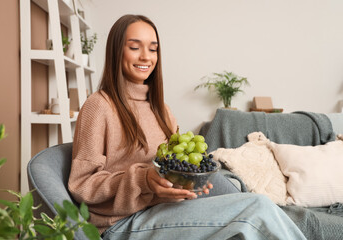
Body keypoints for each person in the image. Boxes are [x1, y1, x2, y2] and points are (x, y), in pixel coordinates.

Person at [68, 14, 306, 239]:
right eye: (134, 47)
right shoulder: (99, 106)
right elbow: (82, 185)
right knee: (255, 210)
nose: (146, 57)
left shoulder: (161, 109)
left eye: (153, 49)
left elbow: (172, 166)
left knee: (259, 205)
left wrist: (189, 182)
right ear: (116, 51)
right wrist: (142, 180)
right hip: (119, 224)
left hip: (161, 210)